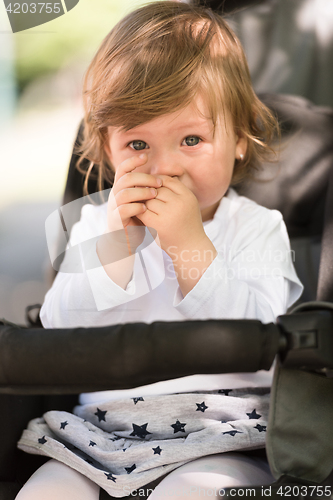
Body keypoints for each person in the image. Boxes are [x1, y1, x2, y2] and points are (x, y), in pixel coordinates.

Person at [16, 2, 303, 499]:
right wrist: (116, 248)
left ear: (238, 136)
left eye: (190, 138)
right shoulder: (93, 225)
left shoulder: (257, 228)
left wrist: (190, 245)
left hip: (226, 437)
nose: (164, 167)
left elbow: (266, 342)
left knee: (190, 492)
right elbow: (57, 336)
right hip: (97, 438)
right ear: (108, 149)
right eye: (137, 145)